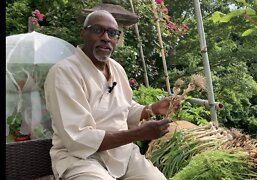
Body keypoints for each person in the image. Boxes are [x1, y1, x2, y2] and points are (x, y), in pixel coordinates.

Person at [44, 10, 180, 180]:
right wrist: (139, 134)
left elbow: (123, 108)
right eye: (97, 30)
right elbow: (78, 139)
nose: (106, 37)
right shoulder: (63, 73)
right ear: (83, 33)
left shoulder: (117, 68)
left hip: (122, 154)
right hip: (81, 159)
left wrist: (152, 108)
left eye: (112, 33)